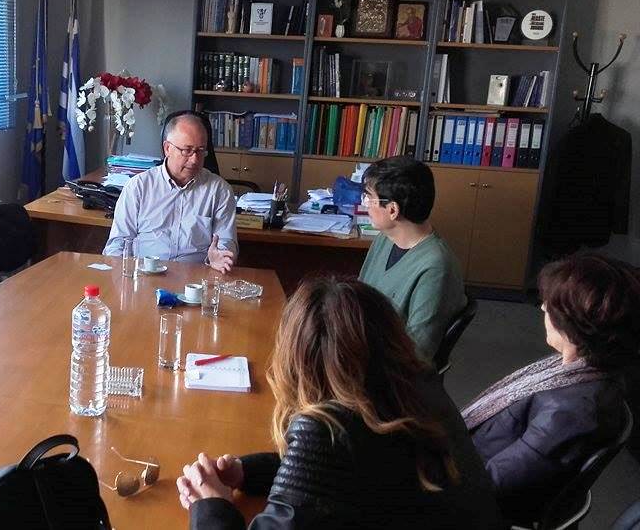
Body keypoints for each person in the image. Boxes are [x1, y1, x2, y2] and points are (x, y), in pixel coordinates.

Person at [176, 276, 502, 529]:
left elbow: (329, 457)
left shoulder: (328, 428)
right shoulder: (416, 389)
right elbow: (343, 474)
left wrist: (211, 504)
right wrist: (247, 472)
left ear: (297, 359)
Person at [462, 253, 638, 524]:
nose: (543, 308)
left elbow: (488, 485)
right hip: (469, 457)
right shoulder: (579, 369)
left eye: (552, 306)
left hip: (471, 495)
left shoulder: (572, 411)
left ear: (577, 325)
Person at [358, 156, 466, 363]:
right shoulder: (385, 239)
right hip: (362, 344)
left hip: (387, 366)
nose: (365, 205)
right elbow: (359, 299)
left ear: (392, 210)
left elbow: (417, 352)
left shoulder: (435, 267)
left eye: (369, 198)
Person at [102, 113, 237, 273]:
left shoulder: (219, 190)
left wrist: (220, 256)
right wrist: (122, 276)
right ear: (167, 148)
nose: (194, 159)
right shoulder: (139, 187)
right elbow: (118, 243)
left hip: (196, 278)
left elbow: (225, 240)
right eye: (187, 150)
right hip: (144, 276)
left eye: (200, 151)